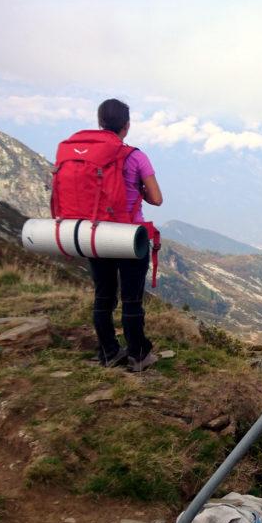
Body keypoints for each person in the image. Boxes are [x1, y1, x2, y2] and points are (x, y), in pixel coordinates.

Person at [89, 98, 163, 372]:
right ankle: (138, 353)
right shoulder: (135, 156)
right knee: (131, 298)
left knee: (103, 296)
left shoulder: (88, 156)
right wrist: (137, 189)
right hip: (129, 236)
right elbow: (156, 198)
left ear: (100, 123)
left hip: (95, 235)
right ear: (127, 126)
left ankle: (108, 352)